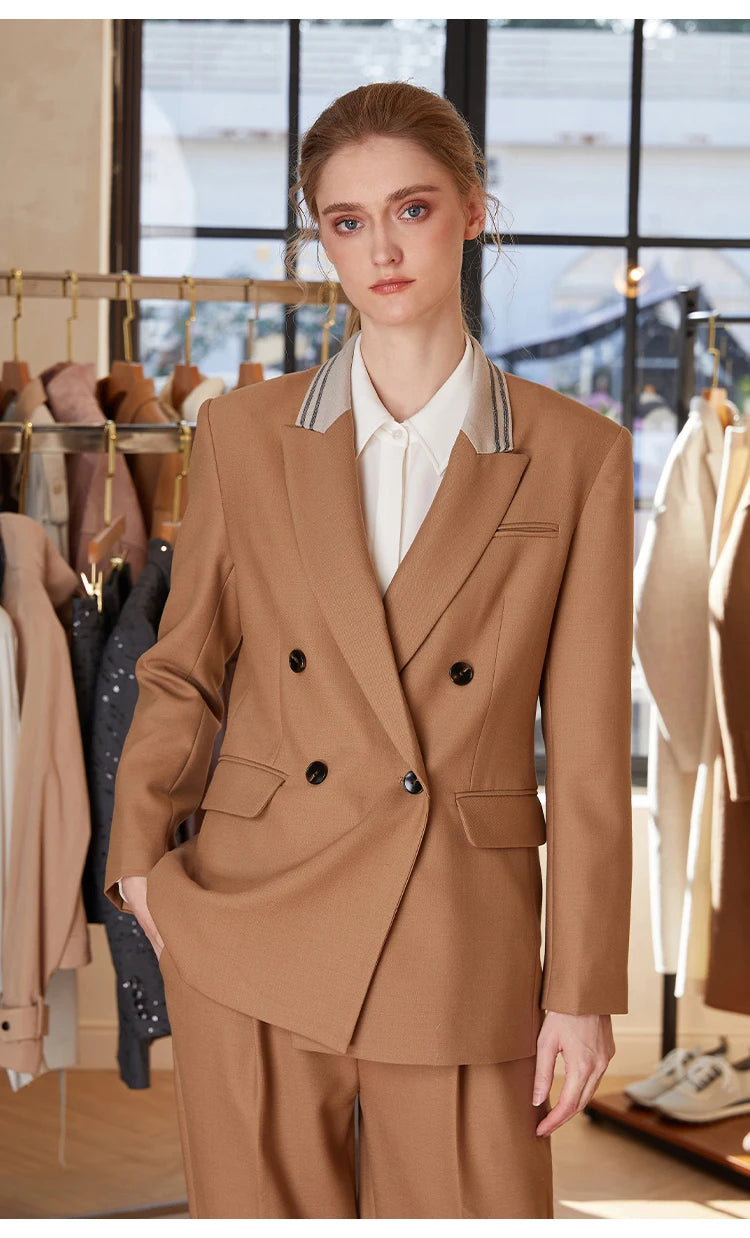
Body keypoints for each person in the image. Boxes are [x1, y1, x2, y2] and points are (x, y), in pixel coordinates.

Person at [104, 81, 633, 1219]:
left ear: (474, 210)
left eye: (412, 208)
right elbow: (185, 665)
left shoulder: (576, 452)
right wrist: (139, 860)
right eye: (347, 221)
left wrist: (582, 990)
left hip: (458, 931)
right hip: (249, 915)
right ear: (321, 239)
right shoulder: (244, 431)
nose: (381, 247)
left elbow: (588, 749)